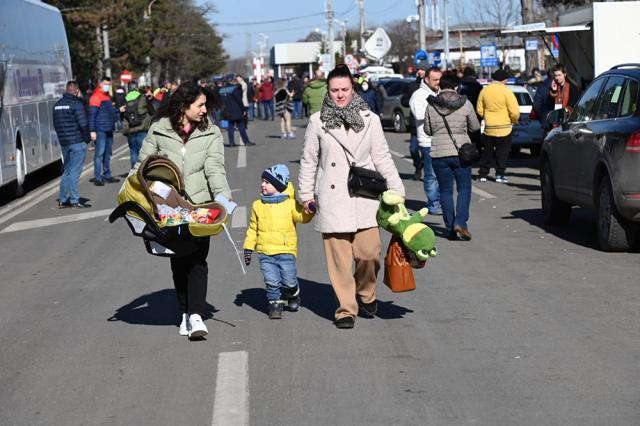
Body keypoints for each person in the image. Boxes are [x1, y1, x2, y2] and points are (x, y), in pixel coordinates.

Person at [297, 64, 404, 329]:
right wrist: (306, 194)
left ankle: (367, 292)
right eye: (335, 90)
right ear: (328, 91)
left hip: (365, 195)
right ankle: (346, 308)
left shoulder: (371, 119)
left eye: (344, 89)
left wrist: (397, 189)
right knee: (339, 261)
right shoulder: (317, 121)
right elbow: (309, 161)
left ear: (352, 88)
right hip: (333, 198)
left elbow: (382, 157)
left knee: (370, 254)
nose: (340, 95)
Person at [128, 82, 232, 338]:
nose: (204, 110)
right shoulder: (159, 130)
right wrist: (130, 193)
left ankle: (196, 315)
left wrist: (221, 197)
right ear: (183, 106)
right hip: (168, 207)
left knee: (197, 259)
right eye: (200, 105)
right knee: (178, 262)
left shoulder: (211, 132)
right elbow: (142, 165)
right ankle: (184, 311)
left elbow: (214, 167)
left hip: (199, 206)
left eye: (205, 105)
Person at [243, 164, 313, 319]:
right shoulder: (258, 205)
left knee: (289, 279)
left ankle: (293, 293)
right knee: (271, 281)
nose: (262, 185)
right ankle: (275, 304)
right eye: (262, 181)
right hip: (265, 252)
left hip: (285, 250)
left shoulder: (290, 204)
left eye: (267, 182)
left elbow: (301, 217)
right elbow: (253, 228)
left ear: (278, 185)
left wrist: (310, 211)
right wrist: (248, 248)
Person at [424, 73, 480, 241]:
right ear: (456, 86)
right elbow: (475, 126)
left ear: (439, 86)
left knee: (445, 190)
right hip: (461, 152)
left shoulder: (431, 106)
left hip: (439, 154)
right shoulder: (465, 103)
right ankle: (460, 223)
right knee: (464, 189)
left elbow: (428, 131)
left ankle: (450, 228)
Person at [476, 69, 520, 183]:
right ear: (504, 79)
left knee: (487, 151)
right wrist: (513, 120)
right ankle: (500, 175)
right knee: (502, 152)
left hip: (489, 127)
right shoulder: (507, 91)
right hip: (504, 127)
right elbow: (514, 111)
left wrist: (486, 117)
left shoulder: (485, 91)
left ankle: (483, 174)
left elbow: (479, 109)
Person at [409, 66, 443, 215]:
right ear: (427, 79)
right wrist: (438, 107)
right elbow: (419, 115)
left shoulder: (441, 93)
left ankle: (442, 201)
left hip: (443, 141)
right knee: (431, 175)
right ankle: (434, 204)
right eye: (435, 80)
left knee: (443, 174)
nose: (438, 82)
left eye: (439, 79)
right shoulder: (418, 95)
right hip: (427, 141)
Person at [53, 80, 91, 208]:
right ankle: (75, 200)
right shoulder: (77, 104)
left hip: (64, 143)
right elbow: (84, 124)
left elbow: (55, 125)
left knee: (67, 171)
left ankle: (63, 200)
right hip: (77, 141)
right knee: (75, 172)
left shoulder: (57, 105)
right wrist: (87, 139)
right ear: (76, 90)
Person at [89, 76, 119, 186]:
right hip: (100, 130)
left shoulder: (107, 97)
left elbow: (110, 112)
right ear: (100, 84)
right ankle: (98, 178)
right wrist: (92, 131)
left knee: (108, 153)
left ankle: (107, 175)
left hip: (108, 129)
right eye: (106, 84)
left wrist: (118, 111)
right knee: (99, 154)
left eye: (109, 84)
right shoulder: (95, 97)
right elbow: (92, 115)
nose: (108, 86)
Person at [401, 63, 427, 180]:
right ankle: (418, 166)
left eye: (423, 69)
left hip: (428, 124)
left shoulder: (431, 86)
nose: (420, 72)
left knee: (427, 150)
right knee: (413, 148)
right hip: (414, 123)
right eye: (419, 69)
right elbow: (404, 100)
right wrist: (412, 102)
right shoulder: (412, 86)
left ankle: (425, 167)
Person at [535, 64, 580, 130]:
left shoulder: (573, 88)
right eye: (556, 75)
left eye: (559, 75)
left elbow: (573, 105)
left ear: (564, 74)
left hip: (568, 123)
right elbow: (549, 105)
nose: (557, 78)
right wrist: (554, 91)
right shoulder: (553, 87)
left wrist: (563, 112)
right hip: (555, 123)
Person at [121, 81, 153, 168]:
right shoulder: (143, 97)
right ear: (137, 88)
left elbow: (123, 115)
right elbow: (152, 111)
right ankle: (143, 173)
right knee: (143, 154)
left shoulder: (126, 99)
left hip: (130, 131)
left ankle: (134, 173)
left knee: (133, 152)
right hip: (142, 129)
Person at [219, 78, 255, 147]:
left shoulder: (221, 91)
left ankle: (231, 143)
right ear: (232, 81)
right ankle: (246, 141)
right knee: (241, 127)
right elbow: (239, 101)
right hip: (237, 111)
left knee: (230, 128)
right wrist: (243, 109)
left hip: (227, 111)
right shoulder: (234, 89)